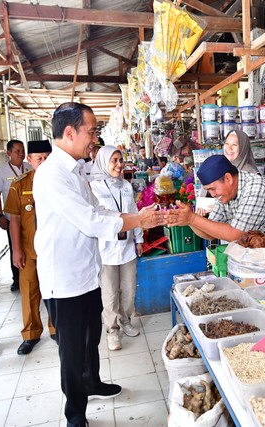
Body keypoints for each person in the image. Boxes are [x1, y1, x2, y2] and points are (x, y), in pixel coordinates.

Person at [33, 102, 166, 427]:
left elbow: (100, 211)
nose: (95, 138)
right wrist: (136, 219)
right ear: (69, 132)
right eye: (91, 131)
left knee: (91, 336)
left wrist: (136, 219)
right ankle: (75, 412)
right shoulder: (52, 175)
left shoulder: (78, 171)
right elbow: (91, 221)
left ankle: (92, 382)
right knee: (72, 348)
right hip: (64, 279)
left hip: (86, 271)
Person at [166, 155, 265, 241]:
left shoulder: (256, 187)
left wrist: (192, 218)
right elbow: (210, 234)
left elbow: (236, 235)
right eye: (209, 191)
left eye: (213, 189)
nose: (213, 194)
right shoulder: (225, 194)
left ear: (228, 178)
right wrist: (188, 220)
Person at [3, 140, 56, 356]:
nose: (43, 162)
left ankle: (56, 328)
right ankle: (31, 334)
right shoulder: (20, 184)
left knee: (54, 290)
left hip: (54, 248)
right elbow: (14, 219)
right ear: (29, 160)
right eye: (39, 158)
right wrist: (16, 249)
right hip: (29, 249)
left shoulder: (59, 182)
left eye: (47, 157)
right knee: (29, 291)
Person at [90, 146, 143, 351]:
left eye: (121, 160)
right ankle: (112, 331)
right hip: (106, 249)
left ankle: (126, 320)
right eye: (114, 161)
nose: (119, 165)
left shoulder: (127, 186)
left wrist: (138, 239)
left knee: (129, 289)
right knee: (110, 293)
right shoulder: (94, 188)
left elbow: (134, 212)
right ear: (104, 162)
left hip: (127, 246)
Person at [0, 139, 31, 291]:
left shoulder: (30, 167)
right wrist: (0, 215)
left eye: (22, 151)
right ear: (8, 154)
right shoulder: (0, 171)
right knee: (15, 247)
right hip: (11, 217)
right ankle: (17, 278)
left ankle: (32, 275)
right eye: (17, 151)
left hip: (30, 218)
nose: (21, 154)